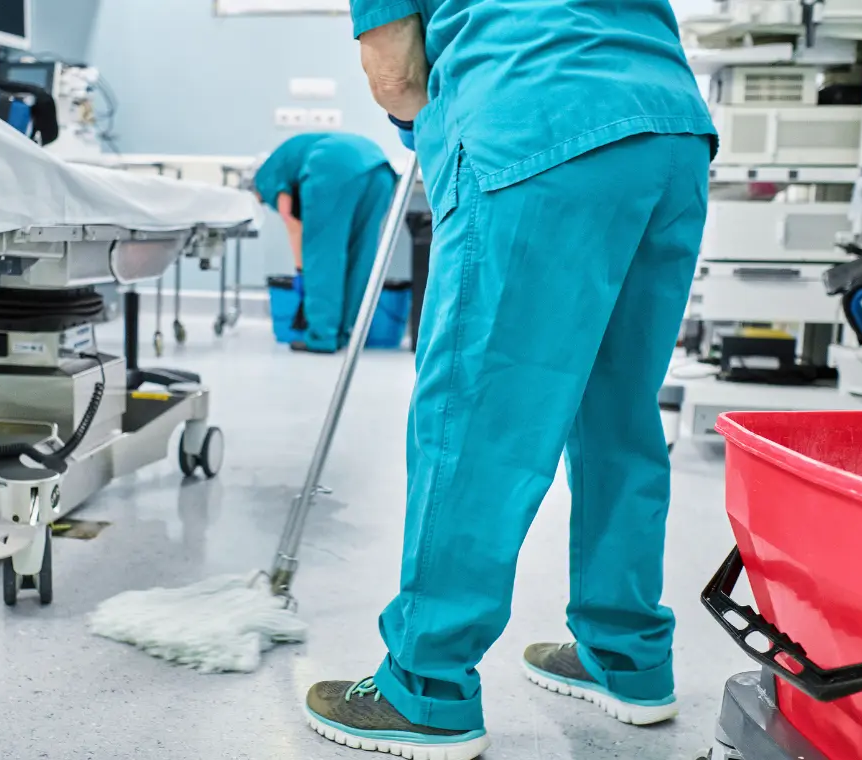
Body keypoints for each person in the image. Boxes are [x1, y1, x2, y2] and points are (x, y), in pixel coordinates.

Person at [303, 2, 718, 758]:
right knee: (619, 410)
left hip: (535, 125)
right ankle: (626, 655)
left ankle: (424, 687)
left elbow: (395, 74)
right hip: (671, 130)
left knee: (479, 419)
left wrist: (428, 128)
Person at [252, 133, 397, 353]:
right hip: (380, 170)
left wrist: (301, 271)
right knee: (361, 254)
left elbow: (291, 222)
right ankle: (347, 332)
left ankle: (322, 336)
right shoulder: (294, 152)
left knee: (323, 254)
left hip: (332, 169)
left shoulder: (265, 179)